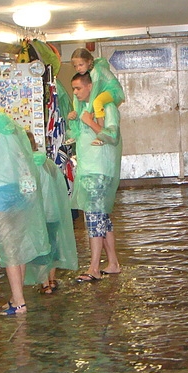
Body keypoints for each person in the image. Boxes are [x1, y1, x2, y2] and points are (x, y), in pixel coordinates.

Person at [0, 85, 50, 315]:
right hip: (21, 190)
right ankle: (16, 296)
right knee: (19, 244)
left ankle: (20, 302)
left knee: (8, 248)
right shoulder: (11, 125)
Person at [70, 72, 122, 281]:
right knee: (102, 217)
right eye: (73, 89)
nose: (75, 92)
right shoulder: (83, 108)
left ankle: (94, 268)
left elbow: (112, 136)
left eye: (78, 88)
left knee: (94, 218)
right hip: (88, 169)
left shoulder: (106, 107)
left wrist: (90, 122)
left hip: (99, 170)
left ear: (90, 86)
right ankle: (113, 263)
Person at [25, 132, 78, 294]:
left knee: (40, 247)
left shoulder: (26, 166)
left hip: (37, 215)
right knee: (53, 246)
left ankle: (44, 283)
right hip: (53, 213)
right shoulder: (48, 163)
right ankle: (52, 279)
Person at [66, 48, 124, 144]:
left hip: (115, 91)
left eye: (81, 65)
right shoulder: (87, 73)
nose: (78, 69)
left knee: (97, 102)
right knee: (91, 104)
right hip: (105, 91)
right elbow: (76, 100)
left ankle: (100, 135)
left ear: (89, 62)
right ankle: (76, 134)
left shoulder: (96, 72)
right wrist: (76, 112)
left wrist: (88, 115)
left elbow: (94, 93)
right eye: (75, 66)